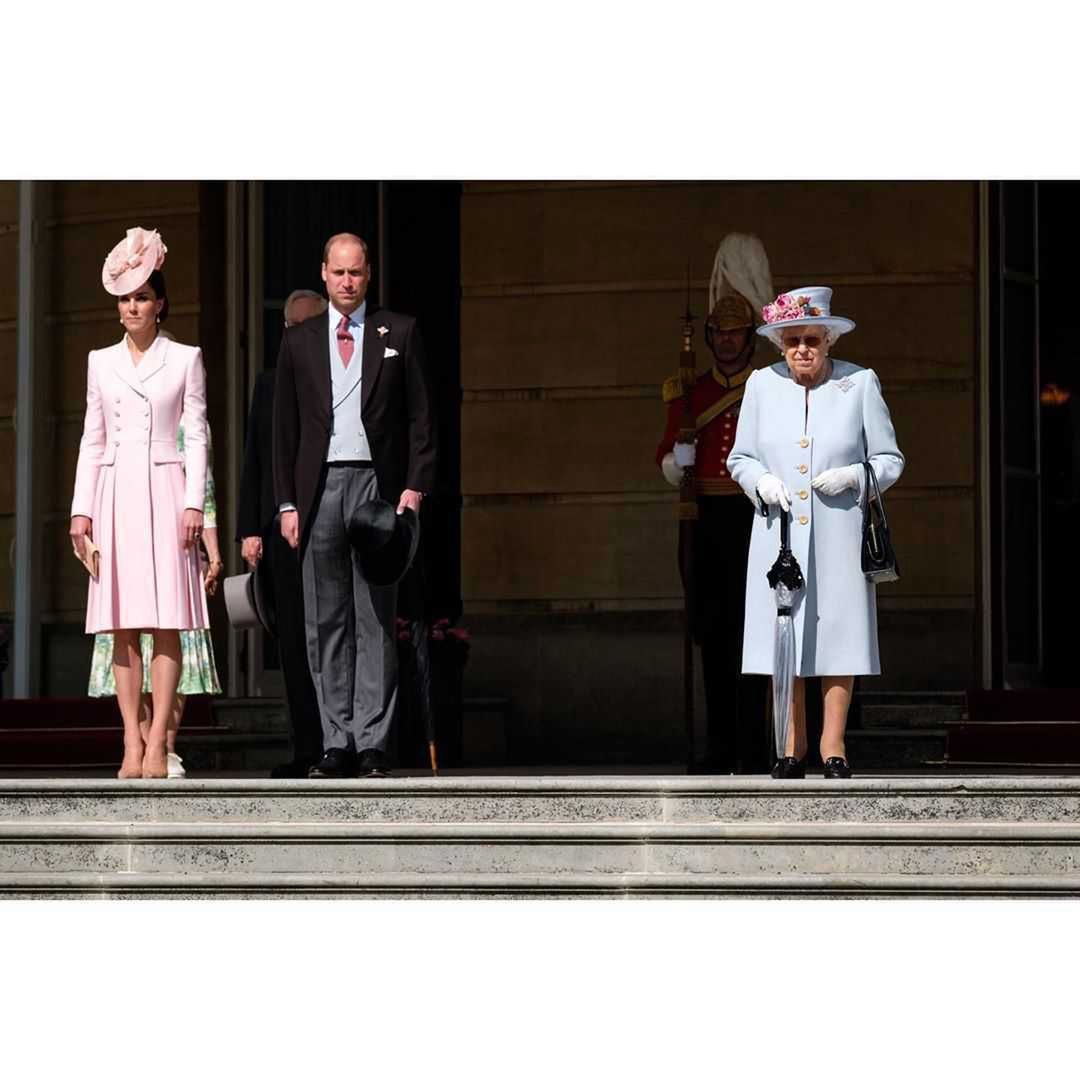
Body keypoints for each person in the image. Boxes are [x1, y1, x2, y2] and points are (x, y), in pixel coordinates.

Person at [272, 233, 437, 779]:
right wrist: (287, 503)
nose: (347, 282)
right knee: (326, 621)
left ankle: (372, 741)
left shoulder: (400, 332)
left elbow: (421, 419)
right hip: (318, 489)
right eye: (338, 273)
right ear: (324, 273)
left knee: (374, 620)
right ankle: (335, 739)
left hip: (376, 488)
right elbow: (285, 431)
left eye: (356, 273)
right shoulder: (299, 342)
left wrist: (413, 487)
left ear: (369, 275)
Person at [727, 286, 904, 779]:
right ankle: (790, 744)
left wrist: (855, 476)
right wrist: (760, 481)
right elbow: (740, 458)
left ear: (829, 340)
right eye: (792, 340)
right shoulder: (761, 385)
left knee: (838, 638)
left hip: (838, 533)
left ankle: (833, 745)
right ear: (780, 344)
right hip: (777, 533)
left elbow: (890, 460)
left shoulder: (860, 383)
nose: (802, 349)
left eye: (811, 339)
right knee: (783, 639)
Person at [70, 227, 209, 779]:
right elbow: (91, 437)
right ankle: (130, 739)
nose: (133, 306)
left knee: (167, 620)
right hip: (114, 494)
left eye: (143, 296)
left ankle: (158, 742)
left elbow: (197, 433)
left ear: (160, 303)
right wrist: (81, 509)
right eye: (126, 297)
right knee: (122, 624)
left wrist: (195, 502)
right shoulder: (99, 361)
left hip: (168, 490)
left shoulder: (185, 358)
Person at [655, 233, 774, 774]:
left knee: (754, 632)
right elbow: (664, 453)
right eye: (719, 334)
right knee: (712, 632)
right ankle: (719, 744)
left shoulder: (767, 388)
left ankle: (756, 744)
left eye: (735, 334)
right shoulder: (688, 390)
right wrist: (676, 459)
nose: (727, 342)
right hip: (703, 520)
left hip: (753, 519)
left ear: (750, 338)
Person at [87, 410, 223, 779]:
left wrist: (212, 551)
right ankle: (138, 742)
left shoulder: (190, 422)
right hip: (122, 526)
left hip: (173, 536)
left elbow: (203, 490)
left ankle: (163, 742)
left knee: (172, 636)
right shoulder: (114, 398)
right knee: (127, 636)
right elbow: (93, 460)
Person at [237, 288, 326, 778]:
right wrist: (249, 529)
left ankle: (342, 743)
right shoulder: (268, 384)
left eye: (304, 327)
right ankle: (305, 746)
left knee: (330, 639)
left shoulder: (339, 381)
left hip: (328, 526)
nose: (294, 336)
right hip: (280, 534)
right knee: (291, 641)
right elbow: (255, 457)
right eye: (288, 328)